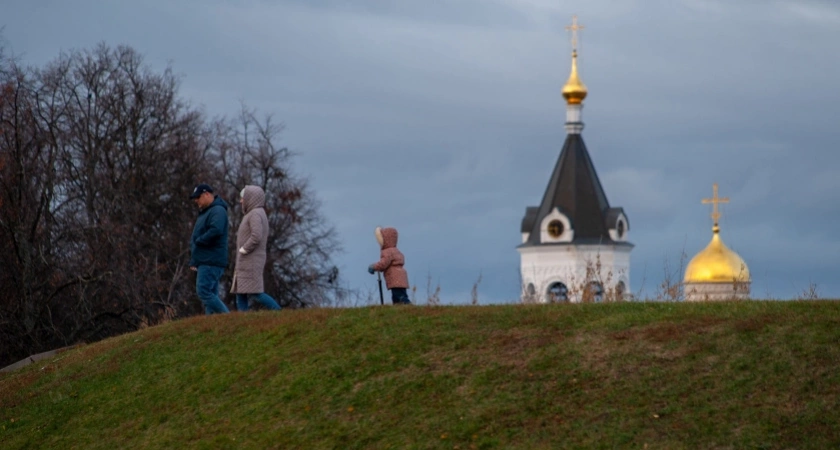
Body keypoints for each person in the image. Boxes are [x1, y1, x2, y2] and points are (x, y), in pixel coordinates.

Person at [231, 185, 281, 311]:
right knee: (241, 291)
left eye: (244, 198)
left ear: (251, 198)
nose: (241, 201)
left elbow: (256, 236)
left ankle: (278, 311)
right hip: (246, 260)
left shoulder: (255, 214)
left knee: (255, 292)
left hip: (250, 260)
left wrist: (244, 249)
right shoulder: (254, 213)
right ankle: (243, 321)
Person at [189, 183, 231, 314]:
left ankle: (229, 319)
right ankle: (211, 327)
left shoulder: (217, 210)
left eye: (198, 197)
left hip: (211, 260)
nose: (196, 200)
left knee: (203, 291)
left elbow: (216, 230)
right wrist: (194, 260)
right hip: (205, 260)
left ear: (207, 194)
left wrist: (200, 240)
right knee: (211, 295)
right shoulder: (207, 212)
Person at [368, 226, 411, 304]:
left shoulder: (387, 252)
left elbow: (383, 263)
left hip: (395, 277)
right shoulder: (396, 251)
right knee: (399, 295)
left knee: (400, 296)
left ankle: (408, 306)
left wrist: (374, 267)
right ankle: (400, 309)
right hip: (401, 276)